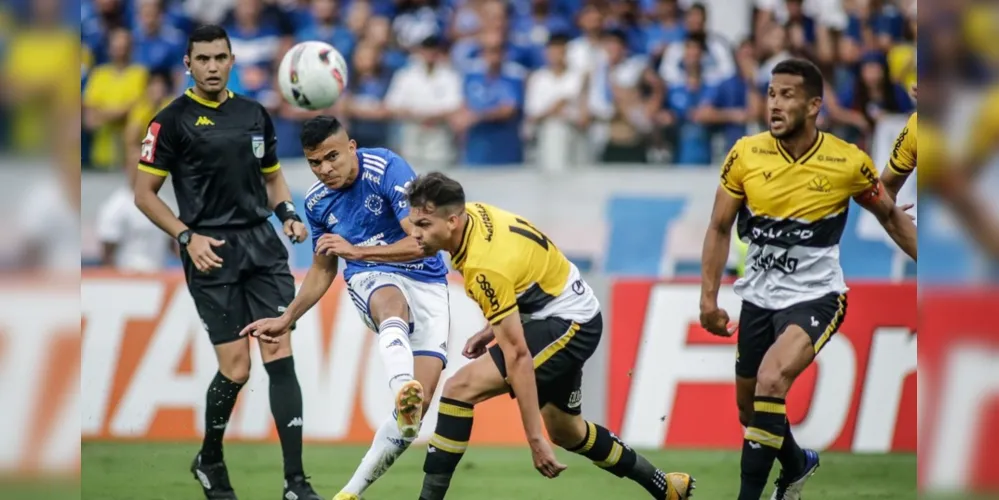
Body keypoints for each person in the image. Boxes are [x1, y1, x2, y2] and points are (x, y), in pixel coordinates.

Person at [698, 58, 917, 500]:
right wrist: (708, 300)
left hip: (817, 296)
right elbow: (719, 227)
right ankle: (797, 464)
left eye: (787, 95)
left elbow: (891, 216)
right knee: (751, 412)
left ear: (815, 104)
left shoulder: (846, 162)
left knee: (772, 379)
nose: (774, 105)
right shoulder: (745, 153)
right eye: (771, 94)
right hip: (758, 297)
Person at [403, 173, 695, 500]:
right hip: (563, 306)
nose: (415, 234)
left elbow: (518, 357)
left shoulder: (484, 265)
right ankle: (665, 486)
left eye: (424, 225)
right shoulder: (475, 215)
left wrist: (533, 439)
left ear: (453, 221)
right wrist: (493, 329)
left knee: (459, 389)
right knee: (567, 431)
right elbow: (525, 271)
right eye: (414, 223)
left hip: (569, 322)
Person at [132, 25, 321, 500]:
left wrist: (289, 216)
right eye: (204, 59)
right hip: (209, 252)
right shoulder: (169, 122)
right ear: (188, 65)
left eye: (220, 58)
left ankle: (295, 483)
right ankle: (210, 457)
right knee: (237, 369)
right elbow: (144, 194)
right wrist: (186, 235)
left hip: (262, 247)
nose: (212, 67)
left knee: (278, 350)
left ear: (232, 59)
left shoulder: (254, 114)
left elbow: (273, 179)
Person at [240, 116, 452, 500]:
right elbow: (324, 267)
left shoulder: (386, 167)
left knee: (411, 423)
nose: (325, 169)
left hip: (429, 281)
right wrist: (288, 317)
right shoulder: (318, 203)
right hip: (371, 277)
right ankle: (401, 384)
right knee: (392, 306)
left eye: (332, 157)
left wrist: (356, 249)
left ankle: (350, 493)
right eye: (315, 163)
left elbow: (422, 242)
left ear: (352, 147)